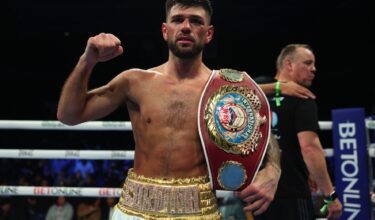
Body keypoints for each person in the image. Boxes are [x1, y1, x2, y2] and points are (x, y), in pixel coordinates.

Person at [57, 0, 281, 219]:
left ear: (209, 33)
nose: (185, 26)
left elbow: (262, 129)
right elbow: (69, 115)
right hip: (135, 209)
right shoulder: (135, 81)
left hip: (199, 210)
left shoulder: (225, 88)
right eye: (177, 20)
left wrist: (273, 170)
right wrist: (87, 60)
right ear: (165, 30)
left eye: (195, 21)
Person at [254, 44, 343, 220]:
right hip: (291, 194)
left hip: (260, 194)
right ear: (289, 65)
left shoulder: (256, 91)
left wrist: (307, 169)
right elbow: (310, 148)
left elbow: (233, 90)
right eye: (308, 63)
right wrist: (330, 196)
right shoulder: (303, 98)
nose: (314, 69)